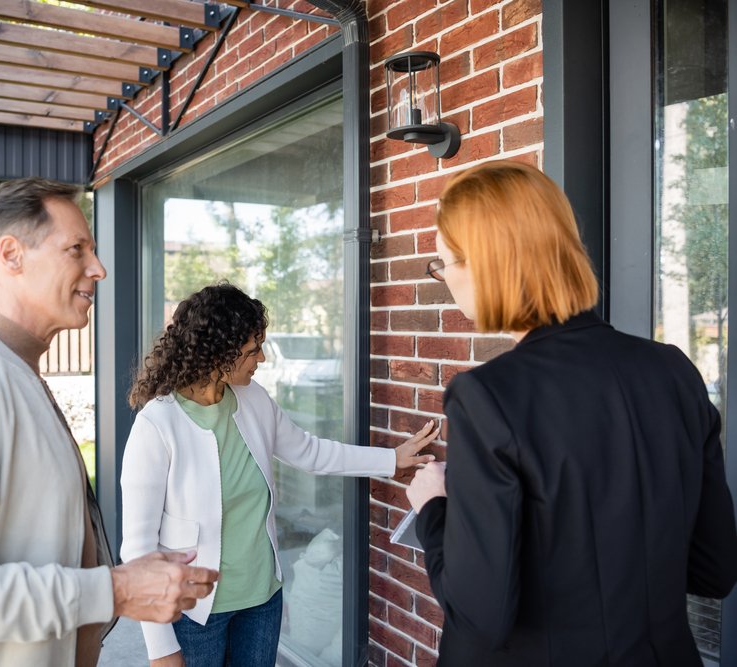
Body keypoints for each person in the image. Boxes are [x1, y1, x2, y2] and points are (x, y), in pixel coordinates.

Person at [0, 178, 218, 667]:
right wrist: (114, 590)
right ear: (12, 256)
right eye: (77, 249)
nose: (98, 268)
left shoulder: (10, 370)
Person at [406, 160, 737, 666]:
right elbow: (715, 569)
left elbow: (479, 617)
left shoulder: (488, 396)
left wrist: (433, 509)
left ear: (483, 265)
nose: (443, 278)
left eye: (443, 263)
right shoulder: (674, 371)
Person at [120, 283, 439, 667]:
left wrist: (390, 459)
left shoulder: (253, 399)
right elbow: (138, 548)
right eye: (253, 349)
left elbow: (310, 452)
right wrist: (160, 648)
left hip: (261, 602)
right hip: (194, 611)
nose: (263, 358)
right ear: (220, 351)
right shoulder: (158, 424)